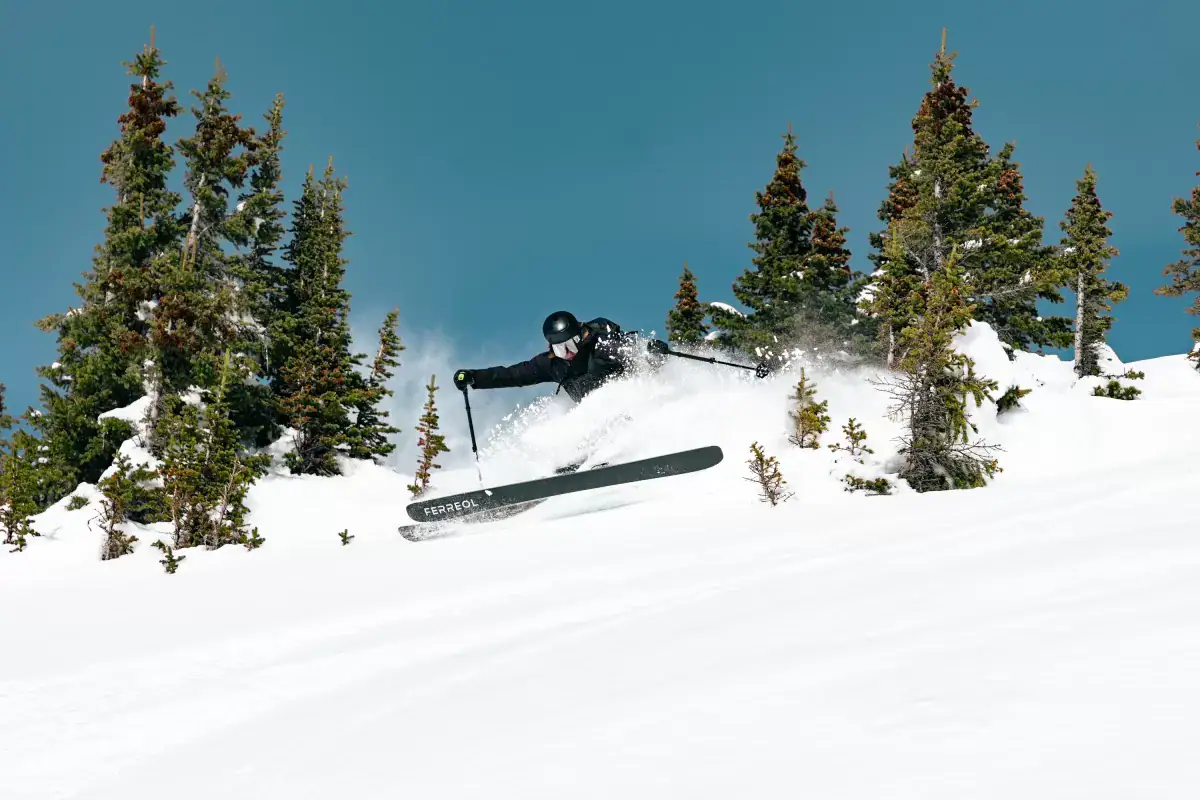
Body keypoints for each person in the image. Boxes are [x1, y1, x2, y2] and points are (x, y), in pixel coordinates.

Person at [453, 311, 669, 404]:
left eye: (569, 345)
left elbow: (632, 350)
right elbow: (512, 375)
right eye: (559, 348)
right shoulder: (552, 363)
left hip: (634, 403)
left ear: (581, 336)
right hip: (596, 420)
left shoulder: (603, 346)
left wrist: (650, 350)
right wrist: (475, 377)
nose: (567, 353)